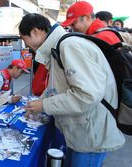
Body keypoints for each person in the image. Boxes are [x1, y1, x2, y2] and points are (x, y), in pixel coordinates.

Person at [19, 13, 125, 167]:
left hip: (90, 136)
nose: (26, 45)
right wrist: (40, 102)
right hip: (82, 132)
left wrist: (44, 105)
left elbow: (87, 95)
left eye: (24, 39)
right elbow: (56, 88)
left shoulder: (70, 46)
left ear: (35, 32)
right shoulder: (58, 48)